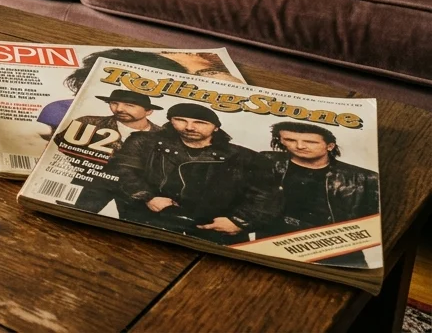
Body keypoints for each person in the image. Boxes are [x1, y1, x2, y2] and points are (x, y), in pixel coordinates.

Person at [106, 103, 276, 245]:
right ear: (171, 121)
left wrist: (239, 221)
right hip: (154, 221)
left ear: (216, 127)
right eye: (180, 120)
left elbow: (267, 195)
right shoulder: (143, 142)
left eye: (200, 122)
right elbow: (121, 171)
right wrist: (148, 197)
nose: (189, 127)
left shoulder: (246, 157)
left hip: (215, 229)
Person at [251, 121, 380, 267]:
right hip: (273, 241)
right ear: (280, 140)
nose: (299, 146)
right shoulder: (266, 161)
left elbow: (374, 224)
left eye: (310, 142)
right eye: (290, 140)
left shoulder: (364, 178)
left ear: (330, 146)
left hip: (334, 250)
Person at [36, 49, 202, 139]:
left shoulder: (166, 133)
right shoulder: (60, 110)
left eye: (131, 102)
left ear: (149, 109)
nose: (120, 108)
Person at [54, 89, 163, 214]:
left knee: (132, 225)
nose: (119, 109)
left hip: (136, 189)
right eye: (114, 103)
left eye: (129, 105)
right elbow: (61, 141)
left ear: (148, 111)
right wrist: (88, 166)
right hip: (92, 184)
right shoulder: (89, 122)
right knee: (71, 216)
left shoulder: (162, 135)